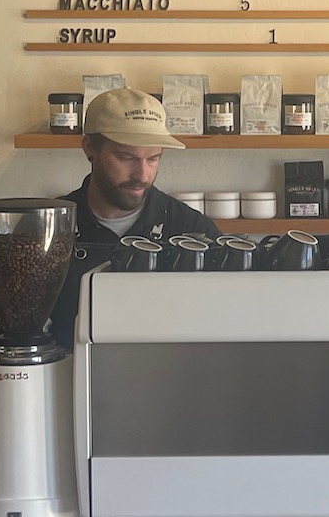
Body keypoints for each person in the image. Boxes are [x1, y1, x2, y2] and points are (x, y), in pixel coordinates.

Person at [48, 87, 217, 339]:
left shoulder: (190, 229)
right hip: (68, 371)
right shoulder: (49, 227)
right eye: (127, 157)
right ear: (89, 148)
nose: (142, 175)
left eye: (153, 159)